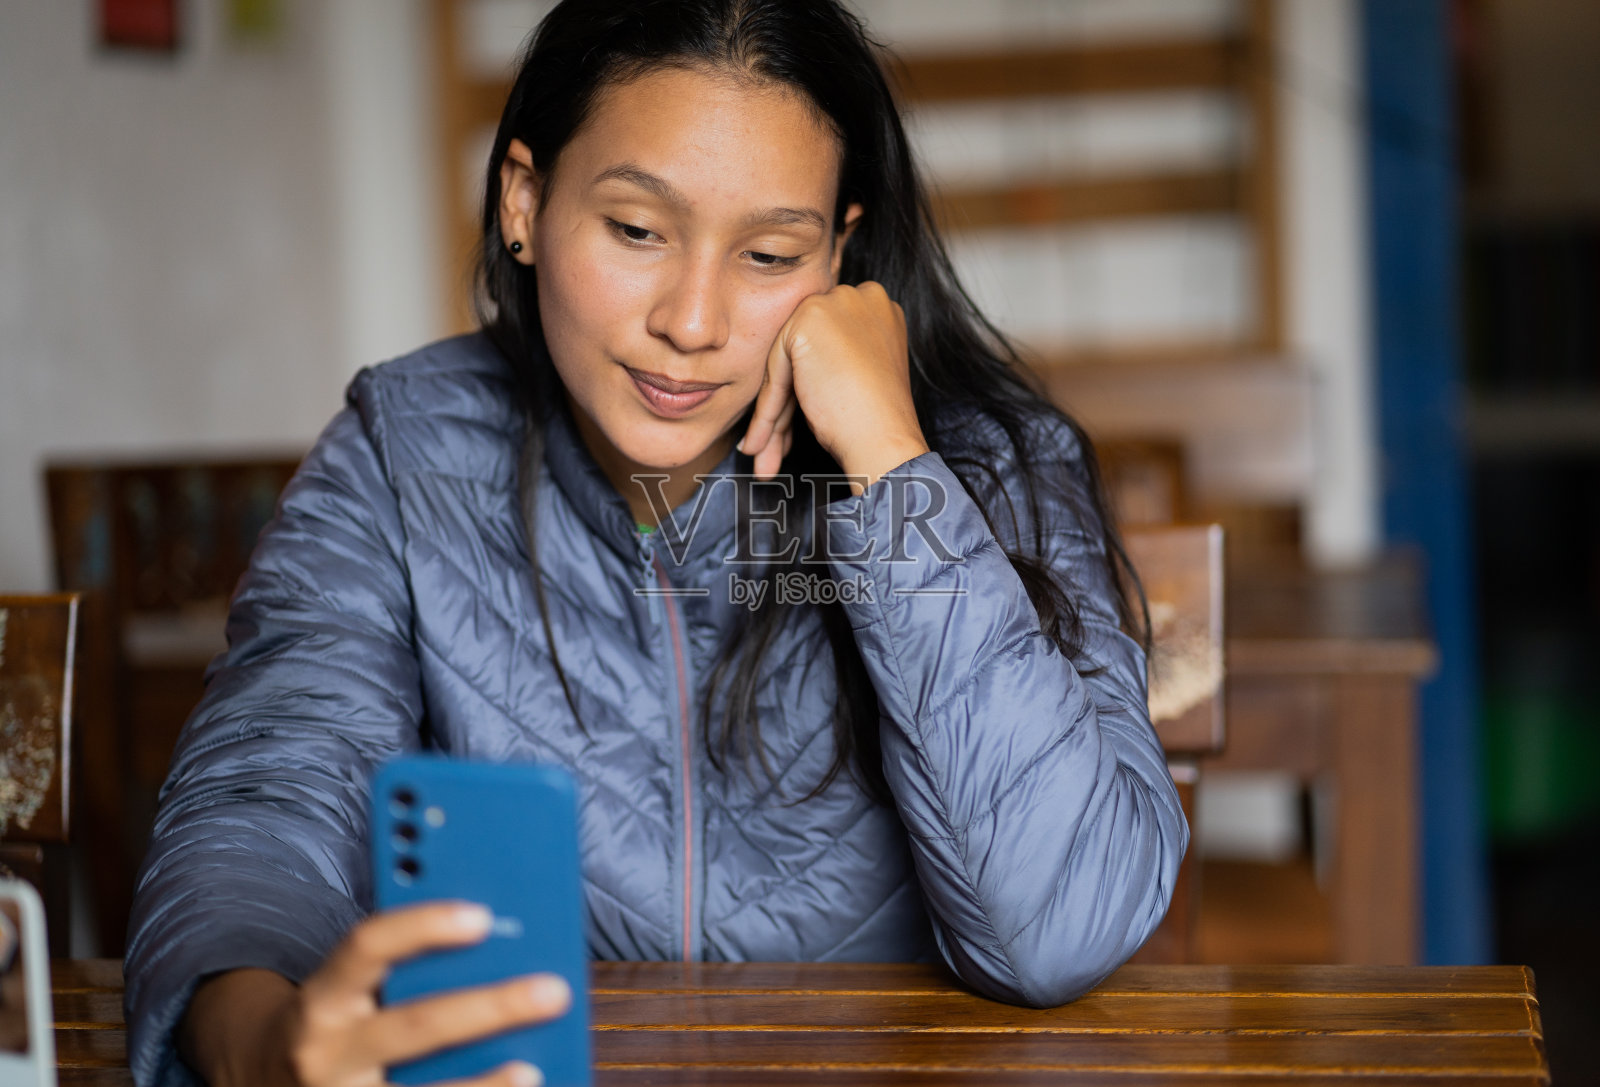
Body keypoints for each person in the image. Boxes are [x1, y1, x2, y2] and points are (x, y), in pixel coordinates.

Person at [124, 1, 1188, 1084]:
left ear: (839, 254)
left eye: (769, 253)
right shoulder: (404, 452)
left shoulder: (983, 464)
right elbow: (267, 795)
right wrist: (260, 1044)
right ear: (525, 201)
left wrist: (884, 457)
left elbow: (1062, 927)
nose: (692, 320)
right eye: (637, 230)